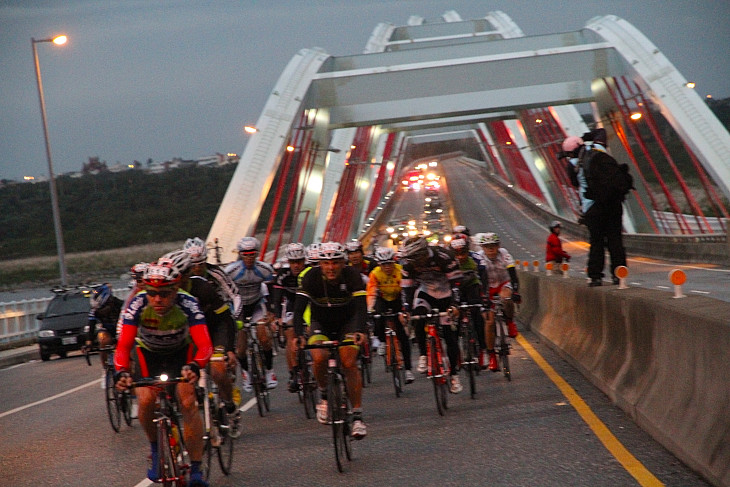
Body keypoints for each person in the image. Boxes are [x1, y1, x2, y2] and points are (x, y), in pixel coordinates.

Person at [114, 260, 213, 487]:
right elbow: (123, 346)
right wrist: (121, 372)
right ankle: (155, 448)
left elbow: (205, 344)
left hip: (181, 354)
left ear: (176, 290)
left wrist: (197, 365)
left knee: (188, 402)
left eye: (165, 294)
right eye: (152, 293)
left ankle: (196, 468)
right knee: (146, 400)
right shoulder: (138, 304)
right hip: (149, 355)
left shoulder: (188, 303)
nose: (157, 299)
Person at [293, 241, 369, 439]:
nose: (331, 268)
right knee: (318, 358)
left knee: (349, 362)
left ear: (343, 263)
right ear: (319, 264)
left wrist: (361, 330)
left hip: (348, 323)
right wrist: (299, 335)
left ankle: (358, 417)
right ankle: (325, 395)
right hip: (321, 323)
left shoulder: (352, 275)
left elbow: (361, 306)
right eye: (326, 264)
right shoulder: (311, 277)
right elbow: (299, 309)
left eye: (335, 263)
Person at [164, 248, 238, 417]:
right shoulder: (167, 293)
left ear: (188, 273)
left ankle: (229, 405)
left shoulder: (203, 287)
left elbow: (226, 319)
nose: (176, 281)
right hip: (189, 336)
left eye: (181, 276)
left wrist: (230, 349)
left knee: (218, 369)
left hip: (215, 329)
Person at [399, 236, 464, 394]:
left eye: (416, 258)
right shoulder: (408, 264)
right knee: (418, 318)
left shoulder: (444, 256)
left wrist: (455, 305)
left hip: (446, 294)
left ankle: (454, 375)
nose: (415, 263)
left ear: (424, 252)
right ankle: (423, 354)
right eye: (411, 259)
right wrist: (406, 311)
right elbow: (407, 290)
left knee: (450, 336)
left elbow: (456, 284)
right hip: (425, 293)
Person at [564, 130, 628, 286]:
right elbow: (601, 132)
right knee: (615, 240)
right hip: (613, 204)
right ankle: (619, 275)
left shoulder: (572, 165)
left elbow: (575, 183)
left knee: (597, 242)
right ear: (580, 144)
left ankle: (595, 276)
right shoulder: (599, 149)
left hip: (592, 208)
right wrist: (584, 137)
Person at [225, 236, 277, 390]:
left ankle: (269, 371)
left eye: (252, 254)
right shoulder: (231, 271)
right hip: (238, 307)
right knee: (240, 348)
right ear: (240, 254)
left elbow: (273, 289)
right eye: (245, 254)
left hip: (256, 304)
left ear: (257, 254)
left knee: (264, 338)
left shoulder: (265, 269)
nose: (248, 257)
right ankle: (246, 374)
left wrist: (272, 310)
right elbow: (224, 291)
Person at [366, 246, 414, 384]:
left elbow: (406, 292)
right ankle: (381, 340)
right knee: (378, 317)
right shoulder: (375, 274)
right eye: (384, 264)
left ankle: (408, 370)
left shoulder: (400, 271)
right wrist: (370, 309)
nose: (387, 267)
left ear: (394, 262)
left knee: (402, 336)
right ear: (379, 264)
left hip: (398, 298)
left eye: (389, 263)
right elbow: (371, 293)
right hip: (382, 299)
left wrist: (405, 310)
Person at [475, 232, 520, 372]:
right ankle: (492, 355)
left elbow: (512, 273)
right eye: (487, 246)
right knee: (489, 322)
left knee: (507, 298)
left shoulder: (504, 254)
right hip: (487, 287)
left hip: (502, 283)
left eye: (493, 246)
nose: (490, 249)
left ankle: (510, 321)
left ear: (498, 246)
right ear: (482, 247)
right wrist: (483, 298)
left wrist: (516, 292)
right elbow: (478, 279)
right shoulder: (479, 257)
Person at [270, 243, 308, 392]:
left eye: (299, 261)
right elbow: (277, 299)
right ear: (288, 262)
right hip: (292, 303)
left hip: (309, 303)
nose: (296, 265)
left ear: (304, 261)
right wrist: (278, 318)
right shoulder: (283, 274)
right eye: (293, 262)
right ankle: (293, 373)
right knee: (290, 336)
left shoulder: (310, 271)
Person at [449, 235, 489, 369]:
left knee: (478, 317)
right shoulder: (447, 262)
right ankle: (456, 355)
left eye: (463, 253)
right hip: (456, 289)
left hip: (472, 287)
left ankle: (483, 351)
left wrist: (485, 297)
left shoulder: (476, 258)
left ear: (468, 251)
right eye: (456, 254)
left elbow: (484, 277)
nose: (460, 257)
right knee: (455, 322)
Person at [85, 283, 123, 377]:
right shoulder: (94, 310)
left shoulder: (117, 303)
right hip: (107, 329)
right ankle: (105, 369)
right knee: (102, 339)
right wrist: (89, 341)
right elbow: (91, 325)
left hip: (120, 328)